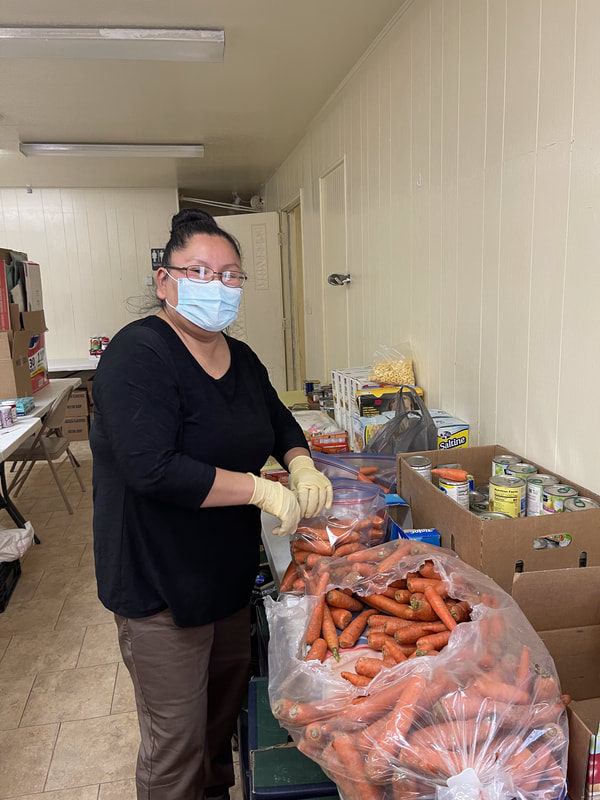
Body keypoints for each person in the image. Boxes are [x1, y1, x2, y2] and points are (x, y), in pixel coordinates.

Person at [90, 208, 333, 800]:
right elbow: (152, 468)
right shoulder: (138, 355)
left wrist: (298, 460)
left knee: (219, 725)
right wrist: (258, 488)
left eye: (230, 275)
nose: (217, 286)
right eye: (199, 270)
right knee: (176, 745)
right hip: (159, 585)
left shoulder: (241, 357)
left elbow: (277, 420)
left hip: (225, 578)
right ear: (164, 280)